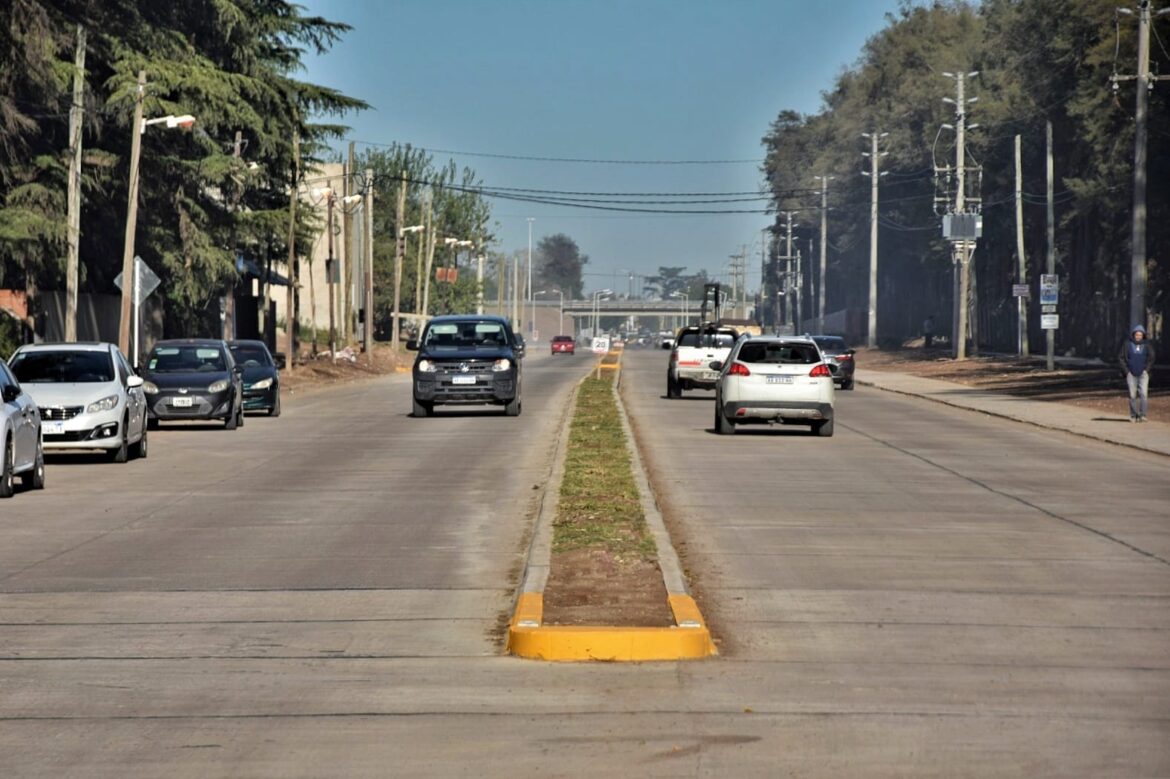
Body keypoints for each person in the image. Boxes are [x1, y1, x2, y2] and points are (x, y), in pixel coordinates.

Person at [1118, 324, 1156, 422]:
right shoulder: (1127, 344)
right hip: (1131, 373)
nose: (1138, 336)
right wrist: (1126, 371)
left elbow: (1151, 358)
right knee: (1132, 395)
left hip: (1143, 374)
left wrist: (1146, 370)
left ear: (1143, 335)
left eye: (1140, 335)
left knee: (1143, 394)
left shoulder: (1147, 345)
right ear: (1133, 335)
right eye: (1136, 334)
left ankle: (1143, 415)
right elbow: (1121, 358)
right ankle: (1133, 415)